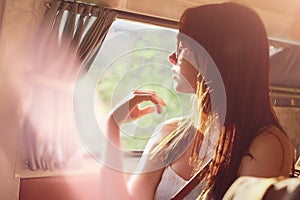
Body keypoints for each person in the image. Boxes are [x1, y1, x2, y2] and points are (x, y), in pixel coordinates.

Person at [104, 2, 295, 200]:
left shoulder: (265, 145)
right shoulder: (170, 133)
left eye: (182, 47)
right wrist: (113, 125)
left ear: (214, 56)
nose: (172, 57)